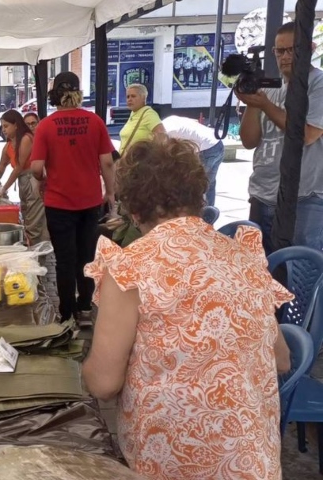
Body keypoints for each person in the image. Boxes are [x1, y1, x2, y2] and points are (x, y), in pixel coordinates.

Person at [82, 137, 291, 480]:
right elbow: (281, 359)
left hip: (171, 467)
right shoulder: (245, 258)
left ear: (134, 211)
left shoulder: (130, 269)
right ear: (198, 196)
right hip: (254, 466)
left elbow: (104, 383)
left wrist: (84, 369)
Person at [30, 71, 116, 322]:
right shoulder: (95, 121)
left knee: (64, 259)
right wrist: (110, 192)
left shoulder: (45, 125)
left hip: (58, 204)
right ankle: (86, 307)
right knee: (86, 256)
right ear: (79, 93)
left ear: (55, 95)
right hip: (90, 202)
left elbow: (36, 167)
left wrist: (42, 180)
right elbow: (107, 162)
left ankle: (67, 312)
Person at [238, 21, 323, 253]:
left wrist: (265, 105)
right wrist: (252, 102)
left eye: (292, 50)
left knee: (299, 274)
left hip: (304, 197)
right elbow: (249, 141)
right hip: (262, 194)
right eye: (279, 51)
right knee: (261, 272)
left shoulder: (318, 84)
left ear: (310, 49)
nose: (284, 57)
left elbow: (306, 134)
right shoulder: (272, 88)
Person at [0, 110, 48, 245]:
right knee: (26, 217)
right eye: (2, 126)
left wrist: (4, 189)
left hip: (34, 181)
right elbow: (1, 167)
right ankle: (32, 249)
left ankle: (39, 256)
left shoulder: (26, 139)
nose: (3, 130)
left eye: (6, 126)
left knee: (34, 221)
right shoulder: (8, 146)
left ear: (16, 125)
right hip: (23, 182)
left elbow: (18, 167)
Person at [162, 115, 225, 206]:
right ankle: (209, 215)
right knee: (209, 184)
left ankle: (196, 215)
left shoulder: (166, 132)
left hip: (206, 149)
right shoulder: (170, 119)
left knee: (196, 184)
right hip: (218, 144)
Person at [119, 84, 165, 154]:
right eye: (128, 97)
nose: (129, 99)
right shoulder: (134, 113)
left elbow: (162, 137)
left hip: (139, 163)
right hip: (127, 162)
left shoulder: (148, 114)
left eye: (133, 96)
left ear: (143, 98)